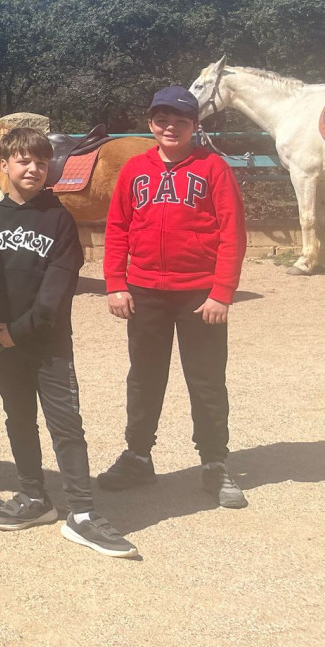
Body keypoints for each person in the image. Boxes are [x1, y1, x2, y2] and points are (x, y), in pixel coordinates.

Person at [0, 127, 137, 558]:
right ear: (4, 166)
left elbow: (55, 295)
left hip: (48, 346)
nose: (33, 169)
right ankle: (34, 496)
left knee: (66, 426)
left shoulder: (59, 220)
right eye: (24, 161)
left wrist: (17, 332)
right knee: (18, 419)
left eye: (41, 163)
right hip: (0, 347)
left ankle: (82, 513)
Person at [98, 86, 249, 508]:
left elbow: (232, 233)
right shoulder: (135, 169)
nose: (170, 127)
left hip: (199, 294)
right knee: (144, 378)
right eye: (162, 120)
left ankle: (214, 462)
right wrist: (115, 282)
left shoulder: (213, 168)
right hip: (145, 291)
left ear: (194, 126)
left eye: (180, 121)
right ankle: (137, 456)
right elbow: (117, 228)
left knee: (206, 380)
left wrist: (222, 293)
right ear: (151, 123)